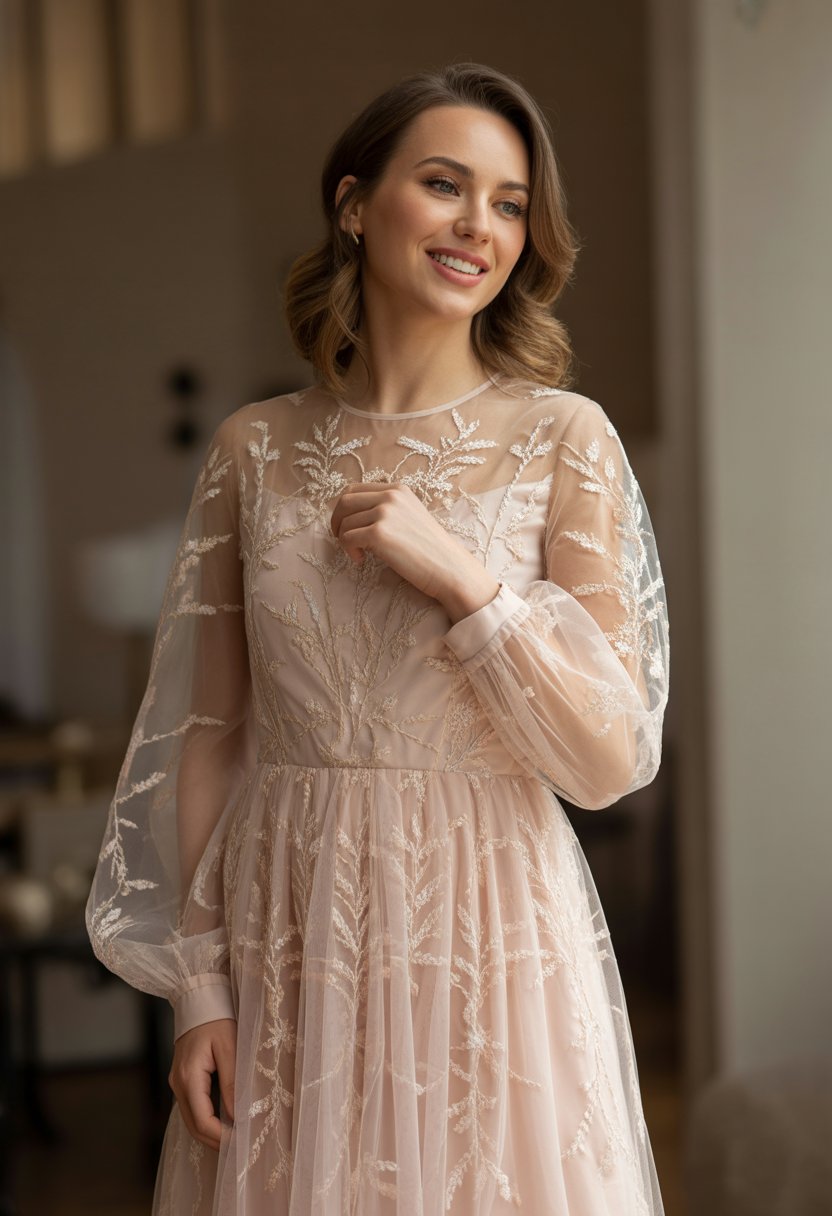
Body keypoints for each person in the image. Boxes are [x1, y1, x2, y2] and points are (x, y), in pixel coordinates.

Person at [87, 62, 669, 1215]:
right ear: (355, 204)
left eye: (508, 203)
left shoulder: (566, 438)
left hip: (492, 933)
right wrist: (199, 986)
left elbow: (611, 758)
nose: (478, 226)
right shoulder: (253, 451)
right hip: (289, 929)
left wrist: (464, 580)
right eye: (445, 184)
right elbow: (206, 738)